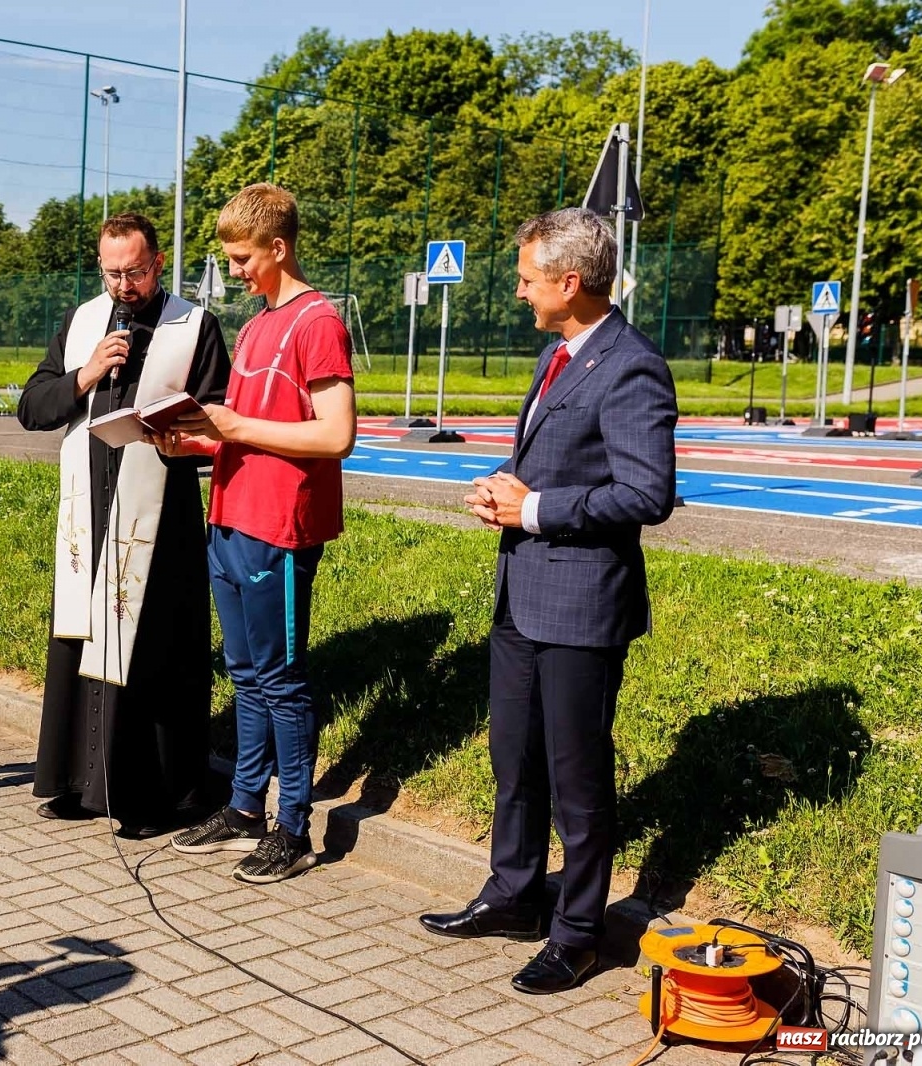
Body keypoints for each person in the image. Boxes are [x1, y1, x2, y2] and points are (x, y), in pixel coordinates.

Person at [418, 208, 678, 995]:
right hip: (520, 595)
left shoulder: (631, 364)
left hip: (581, 607)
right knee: (515, 762)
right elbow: (551, 457)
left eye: (529, 277)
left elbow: (647, 492)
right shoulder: (558, 353)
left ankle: (579, 931)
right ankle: (513, 893)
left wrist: (532, 509)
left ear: (570, 282)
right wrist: (504, 488)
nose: (520, 288)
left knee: (577, 779)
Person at [161, 184, 355, 883]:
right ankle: (244, 808)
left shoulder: (317, 321)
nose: (235, 271)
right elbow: (244, 433)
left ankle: (293, 826)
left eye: (243, 258)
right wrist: (200, 444)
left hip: (280, 529)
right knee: (244, 675)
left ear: (279, 247)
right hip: (230, 517)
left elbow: (336, 435)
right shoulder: (254, 327)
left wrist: (234, 427)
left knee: (281, 679)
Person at [16, 212, 231, 837]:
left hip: (160, 518)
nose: (122, 286)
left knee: (154, 654)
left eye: (134, 272)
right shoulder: (84, 321)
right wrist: (84, 374)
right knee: (83, 639)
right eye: (112, 273)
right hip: (88, 509)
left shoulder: (194, 327)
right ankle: (78, 782)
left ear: (157, 264)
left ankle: (151, 794)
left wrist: (177, 434)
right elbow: (33, 407)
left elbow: (219, 423)